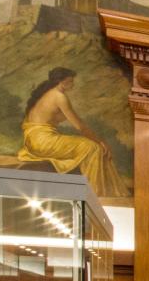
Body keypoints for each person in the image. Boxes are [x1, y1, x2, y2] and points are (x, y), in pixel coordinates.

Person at [18, 67, 129, 197]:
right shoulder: (59, 97)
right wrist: (101, 141)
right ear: (61, 81)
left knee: (92, 146)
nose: (73, 84)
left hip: (35, 141)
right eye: (70, 81)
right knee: (93, 147)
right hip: (43, 142)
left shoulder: (47, 94)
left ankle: (102, 190)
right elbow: (79, 126)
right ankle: (94, 192)